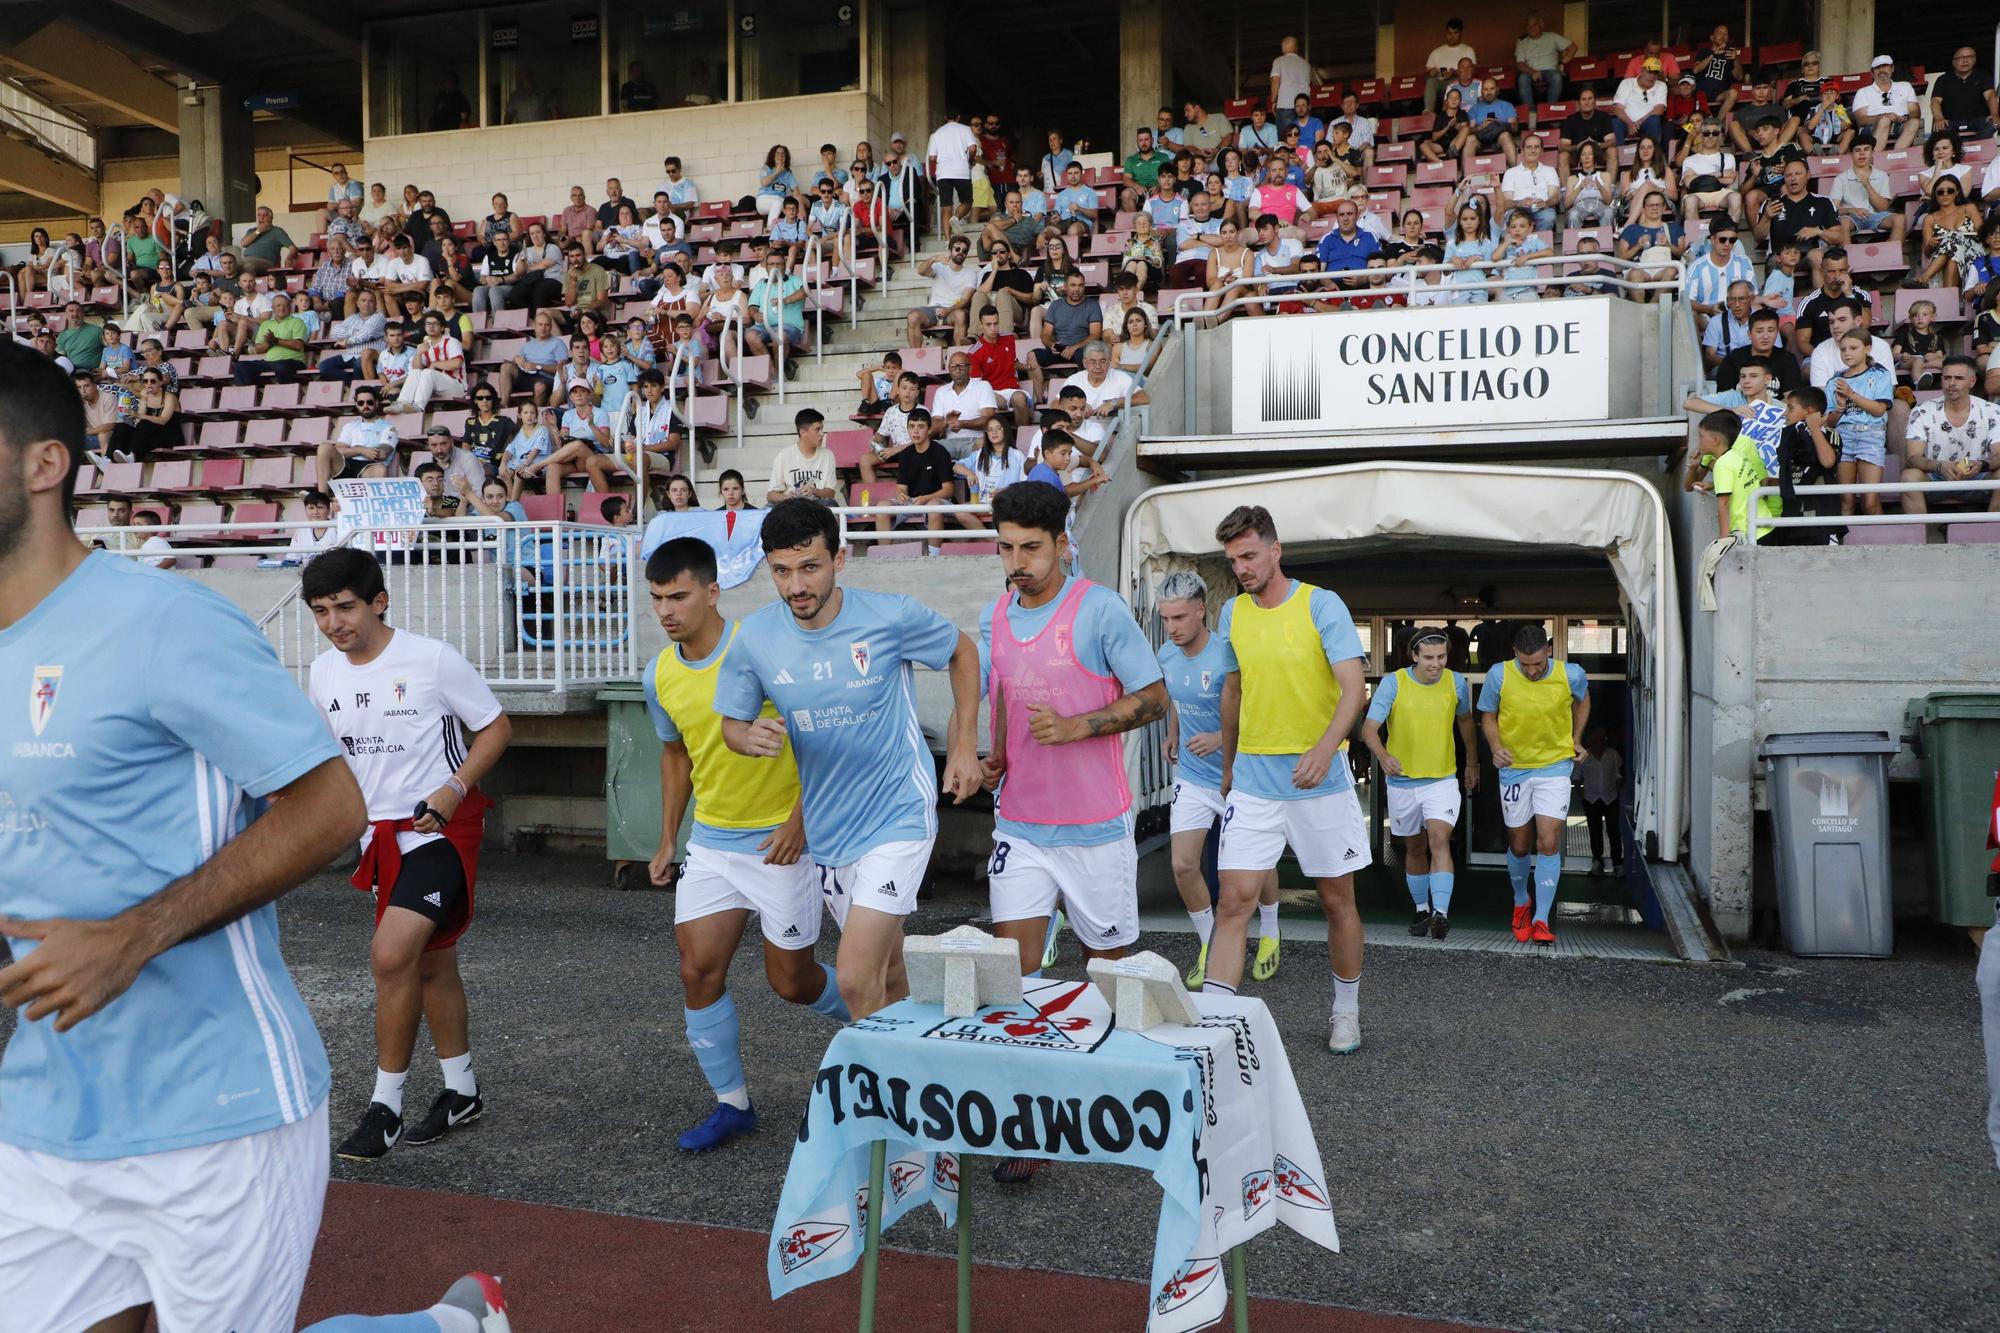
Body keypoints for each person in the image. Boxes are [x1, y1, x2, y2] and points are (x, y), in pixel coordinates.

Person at [0, 342, 369, 1333]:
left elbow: (332, 810)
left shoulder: (163, 621)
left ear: (44, 465)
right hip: (41, 1116)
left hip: (218, 1112)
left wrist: (130, 935)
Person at [717, 499, 982, 1019]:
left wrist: (965, 743)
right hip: (831, 831)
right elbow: (732, 725)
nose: (796, 586)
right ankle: (925, 1066)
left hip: (898, 811)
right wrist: (747, 739)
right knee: (891, 971)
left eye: (810, 567)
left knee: (857, 978)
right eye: (782, 571)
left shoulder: (890, 616)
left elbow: (962, 651)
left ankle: (880, 1100)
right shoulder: (757, 639)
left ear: (840, 560)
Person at [637, 537, 851, 1154]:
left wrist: (799, 823)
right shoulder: (660, 673)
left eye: (678, 595)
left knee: (793, 983)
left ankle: (885, 1018)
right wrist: (667, 839)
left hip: (785, 843)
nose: (667, 610)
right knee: (696, 971)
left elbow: (820, 737)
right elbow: (675, 754)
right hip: (712, 845)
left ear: (712, 591)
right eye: (657, 599)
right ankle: (733, 1105)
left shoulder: (762, 648)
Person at [976, 481, 1167, 1171]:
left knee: (1109, 974)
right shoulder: (994, 614)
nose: (1017, 560)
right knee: (1015, 973)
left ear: (1062, 542)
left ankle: (1118, 1090)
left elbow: (1153, 698)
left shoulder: (1101, 610)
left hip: (1095, 828)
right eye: (1006, 547)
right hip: (1021, 826)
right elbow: (1001, 696)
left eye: (1031, 546)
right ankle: (1034, 1122)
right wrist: (992, 755)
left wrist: (1080, 726)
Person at [302, 548, 511, 1161]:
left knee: (391, 955)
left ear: (379, 601)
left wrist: (453, 788)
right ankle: (461, 1090)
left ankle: (384, 1107)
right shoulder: (323, 674)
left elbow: (496, 728)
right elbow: (333, 760)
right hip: (380, 841)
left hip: (440, 832)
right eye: (321, 611)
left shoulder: (431, 659)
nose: (335, 622)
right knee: (431, 964)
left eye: (345, 607)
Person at [1208, 505, 1369, 1055]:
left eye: (1250, 556)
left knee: (1336, 901)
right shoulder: (1232, 611)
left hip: (1316, 781)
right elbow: (1233, 691)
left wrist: (1327, 750)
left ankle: (1345, 1012)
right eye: (1234, 560)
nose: (1242, 568)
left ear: (1276, 551)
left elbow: (1354, 688)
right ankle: (1217, 1023)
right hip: (1253, 779)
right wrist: (1229, 766)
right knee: (1234, 900)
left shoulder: (1321, 604)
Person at [1155, 572, 1283, 988]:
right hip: (1192, 777)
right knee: (1182, 864)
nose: (1172, 628)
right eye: (1165, 619)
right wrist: (1174, 731)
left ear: (1200, 610)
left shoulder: (1229, 652)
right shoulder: (1166, 654)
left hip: (1240, 777)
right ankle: (1210, 941)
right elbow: (1177, 695)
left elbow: (1259, 708)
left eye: (1178, 617)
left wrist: (1221, 736)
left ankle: (1270, 931)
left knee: (1252, 866)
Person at [1478, 623, 1590, 946]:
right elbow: (1487, 714)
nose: (1531, 670)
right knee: (1519, 844)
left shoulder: (1571, 674)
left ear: (1549, 651)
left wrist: (1576, 739)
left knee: (1548, 842)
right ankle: (1520, 900)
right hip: (1514, 769)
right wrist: (1495, 747)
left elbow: (1583, 700)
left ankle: (1541, 918)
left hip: (1555, 766)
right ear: (1515, 655)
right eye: (1525, 664)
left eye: (1538, 663)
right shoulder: (1499, 675)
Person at [1361, 629, 1478, 938]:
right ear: (1414, 656)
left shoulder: (1455, 683)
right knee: (1414, 847)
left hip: (1441, 780)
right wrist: (1383, 755)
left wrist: (1472, 762)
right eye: (1428, 657)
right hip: (1402, 783)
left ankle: (1441, 912)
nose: (1436, 664)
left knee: (1439, 840)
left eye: (1441, 657)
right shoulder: (1393, 683)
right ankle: (1422, 910)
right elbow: (1369, 729)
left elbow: (1465, 721)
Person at [1902, 356, 2000, 515]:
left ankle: (1993, 536)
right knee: (1909, 477)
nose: (1952, 383)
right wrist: (1941, 466)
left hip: (1978, 477)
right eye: (1947, 378)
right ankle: (1917, 539)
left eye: (1959, 378)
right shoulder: (1922, 411)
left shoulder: (1992, 411)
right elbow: (1912, 458)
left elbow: (1999, 455)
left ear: (1972, 381)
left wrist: (1981, 465)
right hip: (1936, 476)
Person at [906, 235, 979, 346]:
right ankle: (916, 356)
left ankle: (958, 354)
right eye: (957, 249)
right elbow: (921, 271)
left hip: (953, 310)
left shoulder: (970, 274)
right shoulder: (939, 266)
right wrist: (933, 259)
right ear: (950, 251)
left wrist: (948, 310)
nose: (961, 252)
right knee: (912, 316)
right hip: (933, 308)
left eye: (964, 251)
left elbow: (965, 299)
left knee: (961, 315)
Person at [1576, 728, 1624, 876]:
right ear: (1590, 741)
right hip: (1591, 799)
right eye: (1596, 739)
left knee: (1614, 832)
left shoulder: (1612, 755)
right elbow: (1577, 778)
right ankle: (1597, 861)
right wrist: (1582, 796)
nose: (1599, 742)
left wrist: (1619, 796)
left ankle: (1617, 863)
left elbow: (1618, 777)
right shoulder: (1584, 757)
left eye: (1602, 739)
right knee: (1594, 832)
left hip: (1611, 798)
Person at [766, 408, 840, 503]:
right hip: (792, 505)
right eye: (817, 429)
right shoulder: (784, 455)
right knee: (767, 510)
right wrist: (786, 497)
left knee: (831, 503)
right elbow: (771, 495)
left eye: (822, 428)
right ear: (803, 432)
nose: (822, 434)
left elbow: (831, 493)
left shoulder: (828, 455)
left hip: (818, 506)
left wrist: (814, 491)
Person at [1852, 55, 1920, 151]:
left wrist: (1905, 118)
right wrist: (1884, 116)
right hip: (1872, 128)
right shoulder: (1863, 92)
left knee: (1914, 122)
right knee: (1884, 121)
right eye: (1877, 68)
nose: (1881, 70)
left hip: (1899, 124)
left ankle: (1896, 155)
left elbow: (1915, 111)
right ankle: (1874, 158)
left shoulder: (1906, 86)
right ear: (1872, 73)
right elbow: (1860, 120)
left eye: (1885, 66)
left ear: (1892, 68)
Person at [927, 111, 979, 226]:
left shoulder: (937, 133)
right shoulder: (966, 129)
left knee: (946, 207)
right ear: (958, 117)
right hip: (961, 171)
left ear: (945, 117)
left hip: (943, 173)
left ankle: (947, 241)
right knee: (967, 202)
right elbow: (973, 148)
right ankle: (956, 218)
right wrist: (970, 160)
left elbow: (932, 157)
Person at [1514, 12, 1574, 108]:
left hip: (1550, 70)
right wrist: (1532, 72)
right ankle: (1530, 111)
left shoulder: (1552, 36)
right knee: (1522, 79)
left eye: (1535, 25)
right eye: (1529, 26)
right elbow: (1520, 64)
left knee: (1556, 76)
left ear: (1542, 25)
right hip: (1530, 72)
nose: (1531, 28)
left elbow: (1573, 47)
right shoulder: (1522, 41)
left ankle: (1550, 108)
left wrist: (1562, 63)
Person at [1422, 17, 1476, 114]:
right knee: (1431, 81)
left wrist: (1455, 73)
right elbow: (1426, 76)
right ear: (1446, 34)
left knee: (1453, 83)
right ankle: (1428, 111)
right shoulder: (1436, 52)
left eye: (1455, 33)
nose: (1452, 36)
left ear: (1460, 33)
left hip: (1457, 82)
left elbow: (1473, 71)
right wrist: (1431, 73)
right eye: (1449, 33)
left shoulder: (1468, 50)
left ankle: (1447, 113)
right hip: (1441, 83)